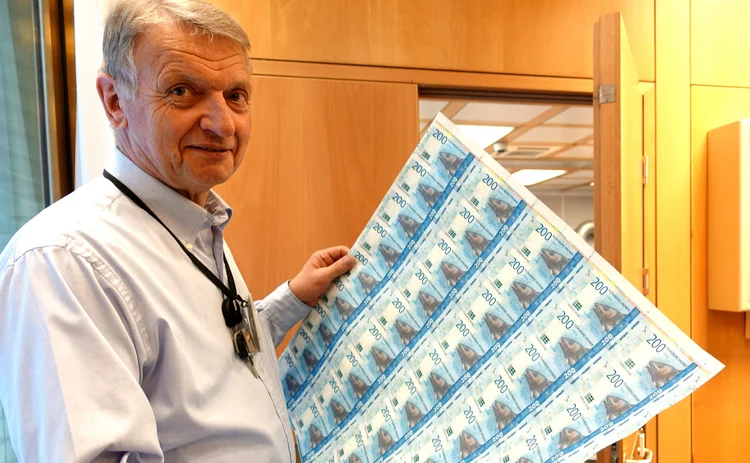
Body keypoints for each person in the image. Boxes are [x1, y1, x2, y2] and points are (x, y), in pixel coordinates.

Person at [0, 0, 355, 461]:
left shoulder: (194, 221)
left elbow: (201, 361)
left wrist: (293, 299)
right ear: (114, 101)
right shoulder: (64, 261)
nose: (221, 123)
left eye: (236, 96)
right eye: (182, 91)